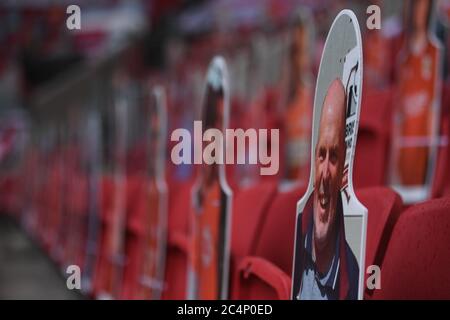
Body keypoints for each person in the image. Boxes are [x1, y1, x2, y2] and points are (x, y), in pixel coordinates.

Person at [295, 79, 359, 300]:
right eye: (321, 155)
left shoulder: (353, 275)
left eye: (333, 157)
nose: (324, 173)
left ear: (344, 171)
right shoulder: (295, 239)